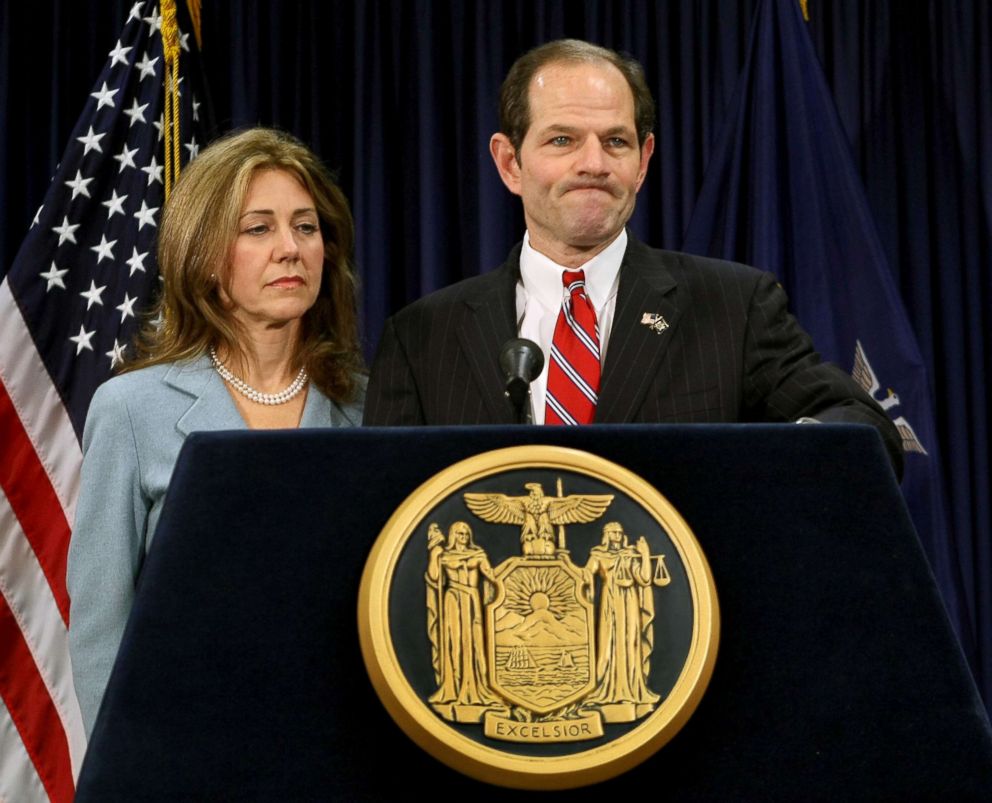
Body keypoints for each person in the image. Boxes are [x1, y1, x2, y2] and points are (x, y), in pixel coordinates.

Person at [362, 39, 902, 473]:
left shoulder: (733, 307)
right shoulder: (422, 338)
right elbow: (381, 511)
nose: (593, 163)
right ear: (509, 163)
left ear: (643, 161)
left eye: (616, 142)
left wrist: (767, 462)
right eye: (562, 141)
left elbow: (862, 426)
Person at [67, 127, 365, 735]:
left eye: (306, 227)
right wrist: (123, 774)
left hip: (341, 741)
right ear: (203, 256)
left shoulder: (369, 403)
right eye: (258, 229)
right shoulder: (129, 409)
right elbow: (100, 629)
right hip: (187, 745)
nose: (291, 248)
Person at [584, 522, 659, 711]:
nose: (617, 536)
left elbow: (644, 579)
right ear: (606, 535)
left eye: (619, 532)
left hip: (629, 601)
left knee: (630, 642)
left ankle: (630, 689)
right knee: (609, 642)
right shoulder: (598, 555)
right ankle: (607, 687)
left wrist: (644, 554)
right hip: (610, 601)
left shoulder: (629, 555)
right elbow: (586, 574)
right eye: (613, 533)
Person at [425, 522, 499, 711]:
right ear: (452, 535)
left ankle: (476, 686)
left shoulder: (478, 555)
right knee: (454, 642)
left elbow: (491, 574)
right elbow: (434, 578)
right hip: (452, 599)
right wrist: (433, 556)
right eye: (459, 534)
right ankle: (454, 688)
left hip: (471, 600)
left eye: (466, 534)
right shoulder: (444, 556)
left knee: (475, 643)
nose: (463, 537)